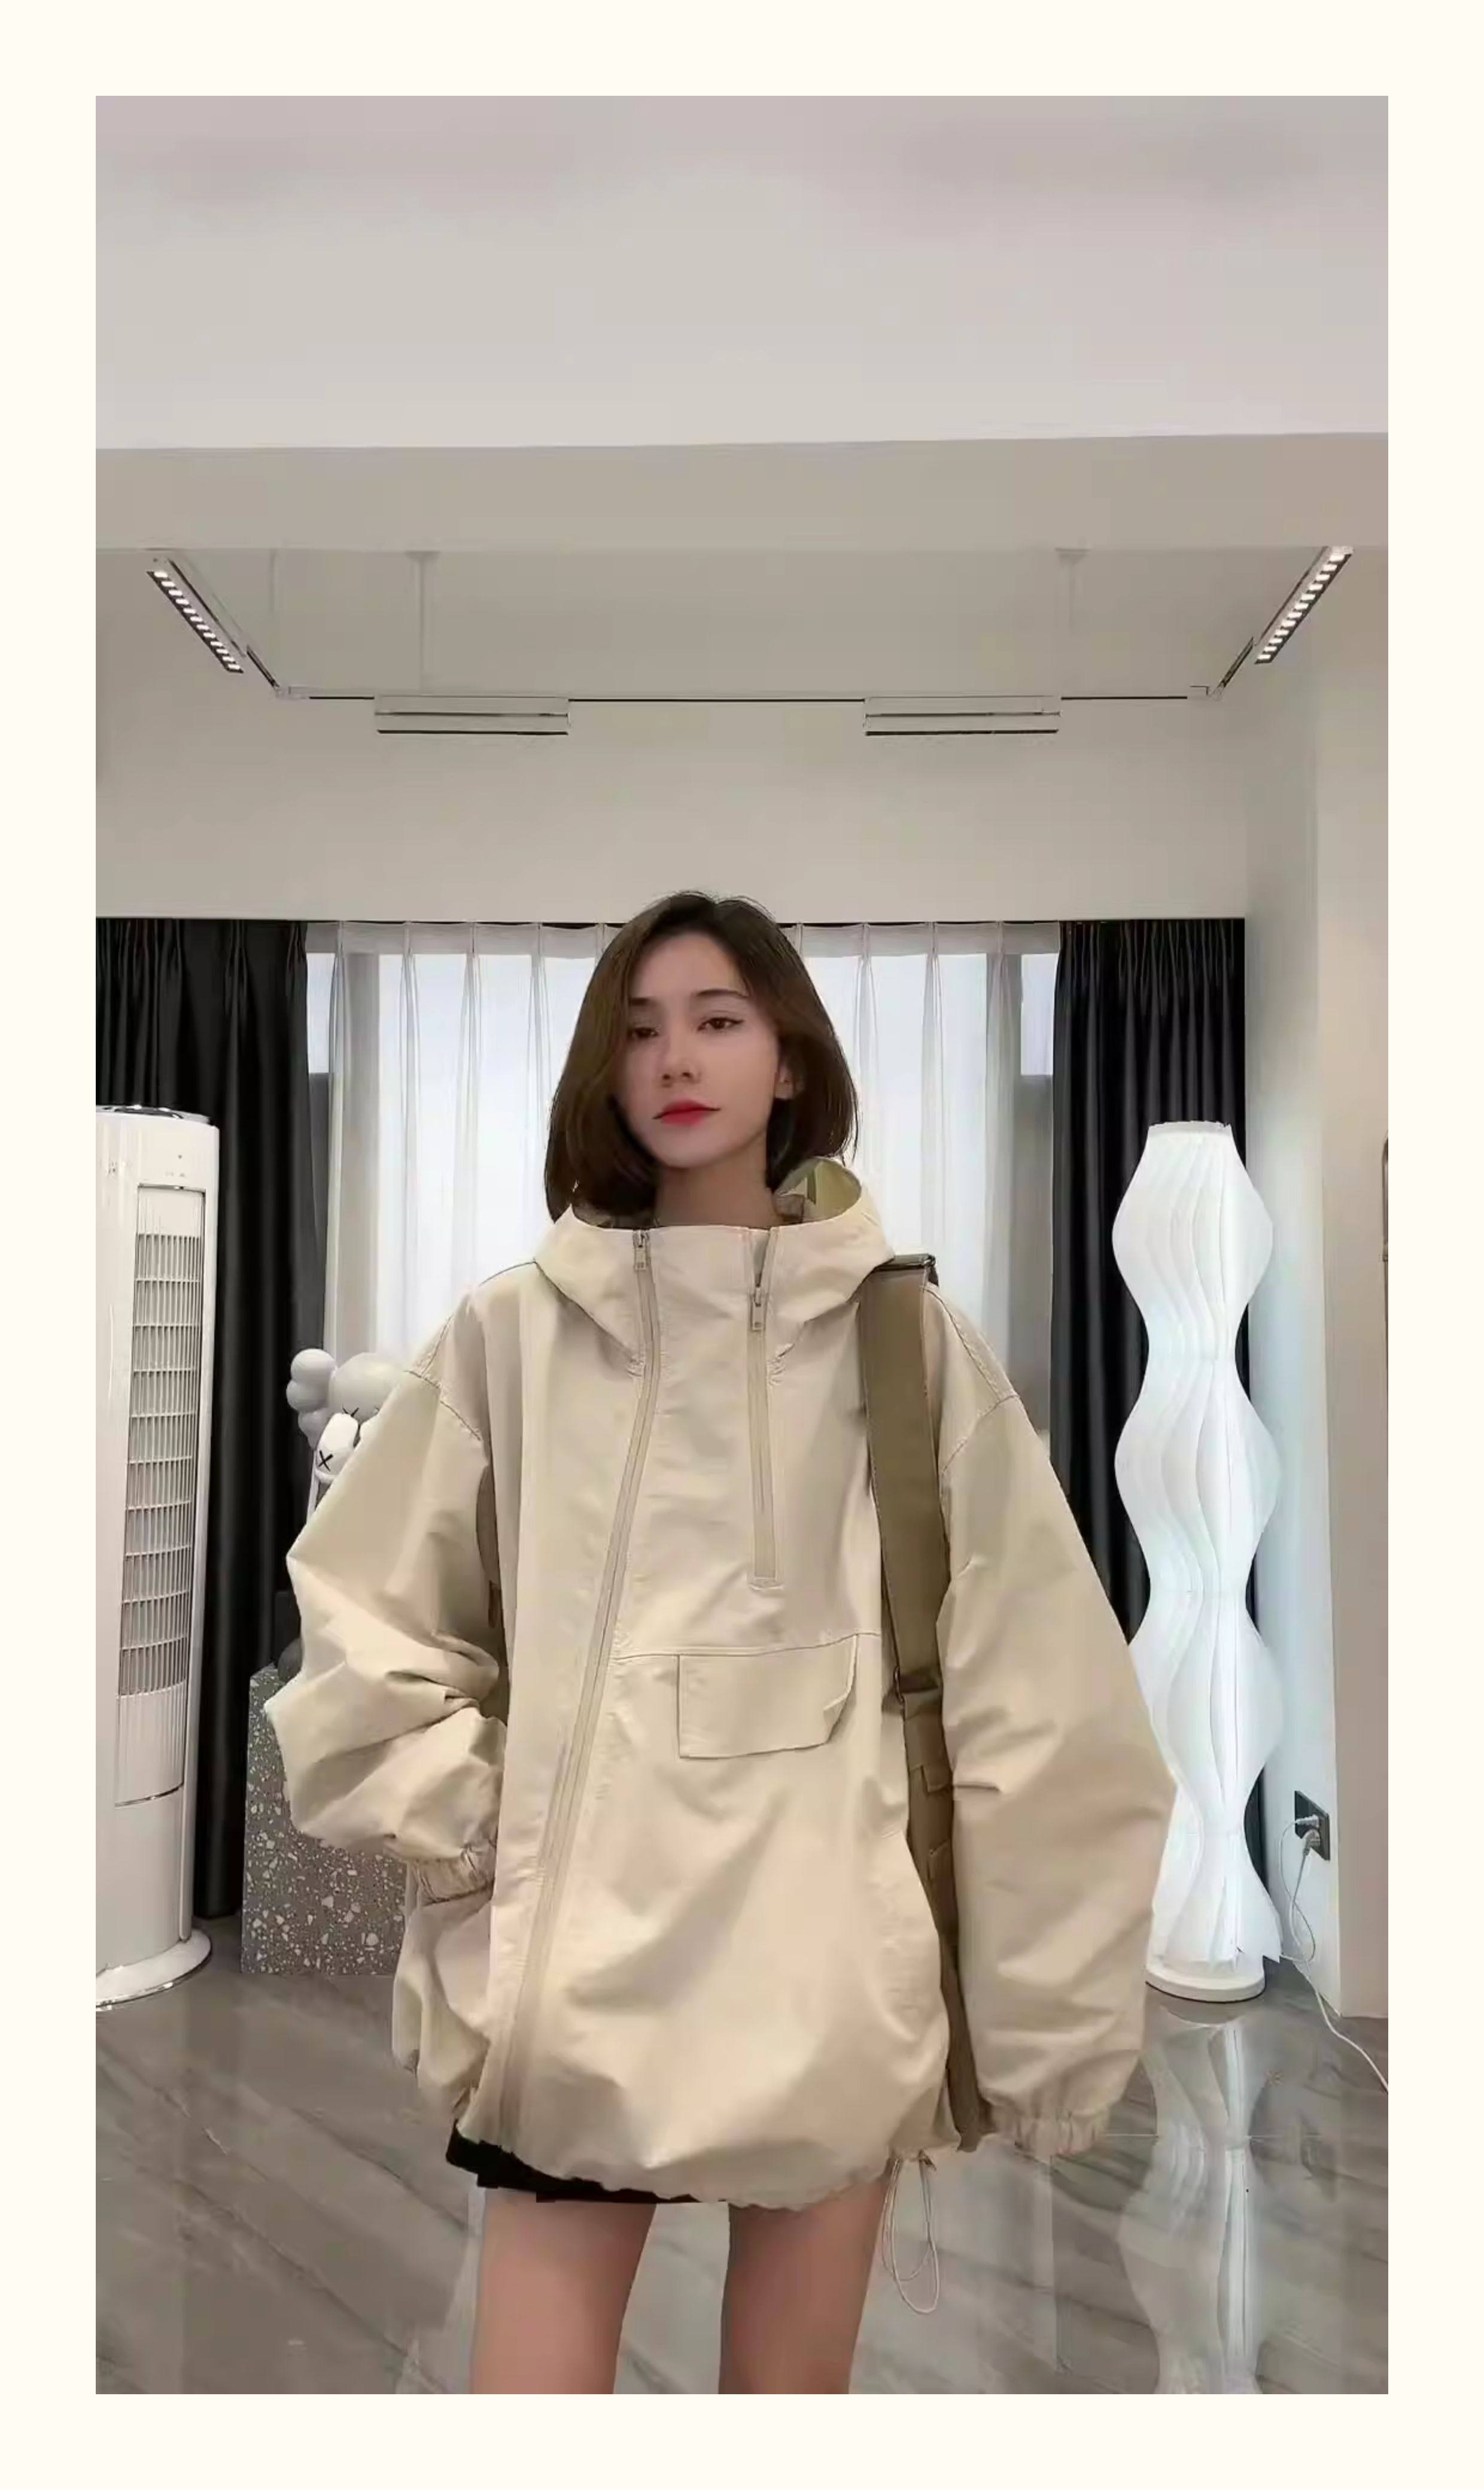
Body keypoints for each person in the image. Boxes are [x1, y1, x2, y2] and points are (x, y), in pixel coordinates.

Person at [267, 891, 1174, 2394]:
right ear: (602, 1068)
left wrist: (1054, 2032)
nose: (676, 1059)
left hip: (831, 1980)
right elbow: (364, 1623)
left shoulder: (909, 1347)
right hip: (578, 1989)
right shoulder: (513, 1334)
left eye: (718, 1019)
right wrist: (489, 1834)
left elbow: (1043, 1697)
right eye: (638, 1030)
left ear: (790, 1056)